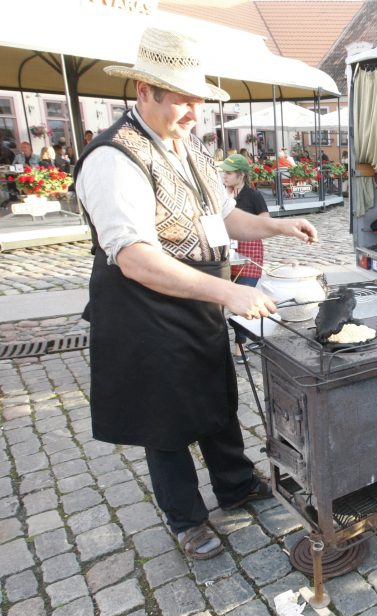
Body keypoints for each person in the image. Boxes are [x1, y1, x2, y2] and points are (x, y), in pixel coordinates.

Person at [75, 27, 318, 561]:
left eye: (197, 99)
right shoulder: (114, 157)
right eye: (182, 98)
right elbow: (136, 258)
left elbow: (222, 219)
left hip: (198, 298)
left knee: (214, 395)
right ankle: (186, 519)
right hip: (144, 306)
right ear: (144, 91)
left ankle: (234, 483)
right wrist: (228, 293)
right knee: (165, 418)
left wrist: (275, 227)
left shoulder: (192, 150)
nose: (193, 110)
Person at [220, 153, 268, 363]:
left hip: (249, 250)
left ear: (241, 175)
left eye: (229, 174)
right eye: (224, 173)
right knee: (225, 298)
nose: (225, 177)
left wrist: (246, 226)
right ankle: (251, 333)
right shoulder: (223, 195)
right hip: (227, 250)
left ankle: (240, 346)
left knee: (243, 296)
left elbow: (265, 222)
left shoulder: (253, 196)